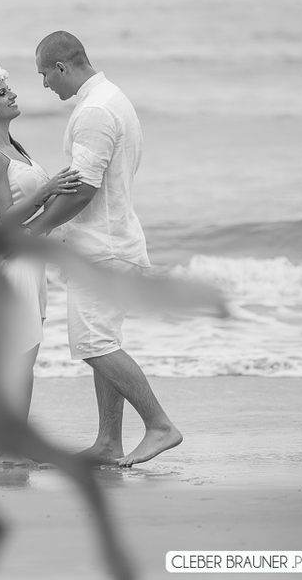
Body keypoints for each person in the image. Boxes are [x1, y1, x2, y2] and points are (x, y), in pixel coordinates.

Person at [26, 31, 182, 467]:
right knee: (103, 339)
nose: (43, 85)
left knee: (93, 344)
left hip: (102, 249)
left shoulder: (94, 112)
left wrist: (35, 230)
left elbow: (83, 191)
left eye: (44, 75)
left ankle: (159, 425)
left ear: (61, 67)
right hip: (115, 240)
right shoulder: (113, 98)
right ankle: (108, 442)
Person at [0, 66, 81, 467]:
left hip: (31, 262)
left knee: (25, 361)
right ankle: (3, 450)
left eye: (10, 89)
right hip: (11, 266)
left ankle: (9, 448)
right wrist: (47, 189)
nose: (13, 95)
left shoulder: (15, 148)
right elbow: (4, 221)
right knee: (19, 359)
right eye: (4, 92)